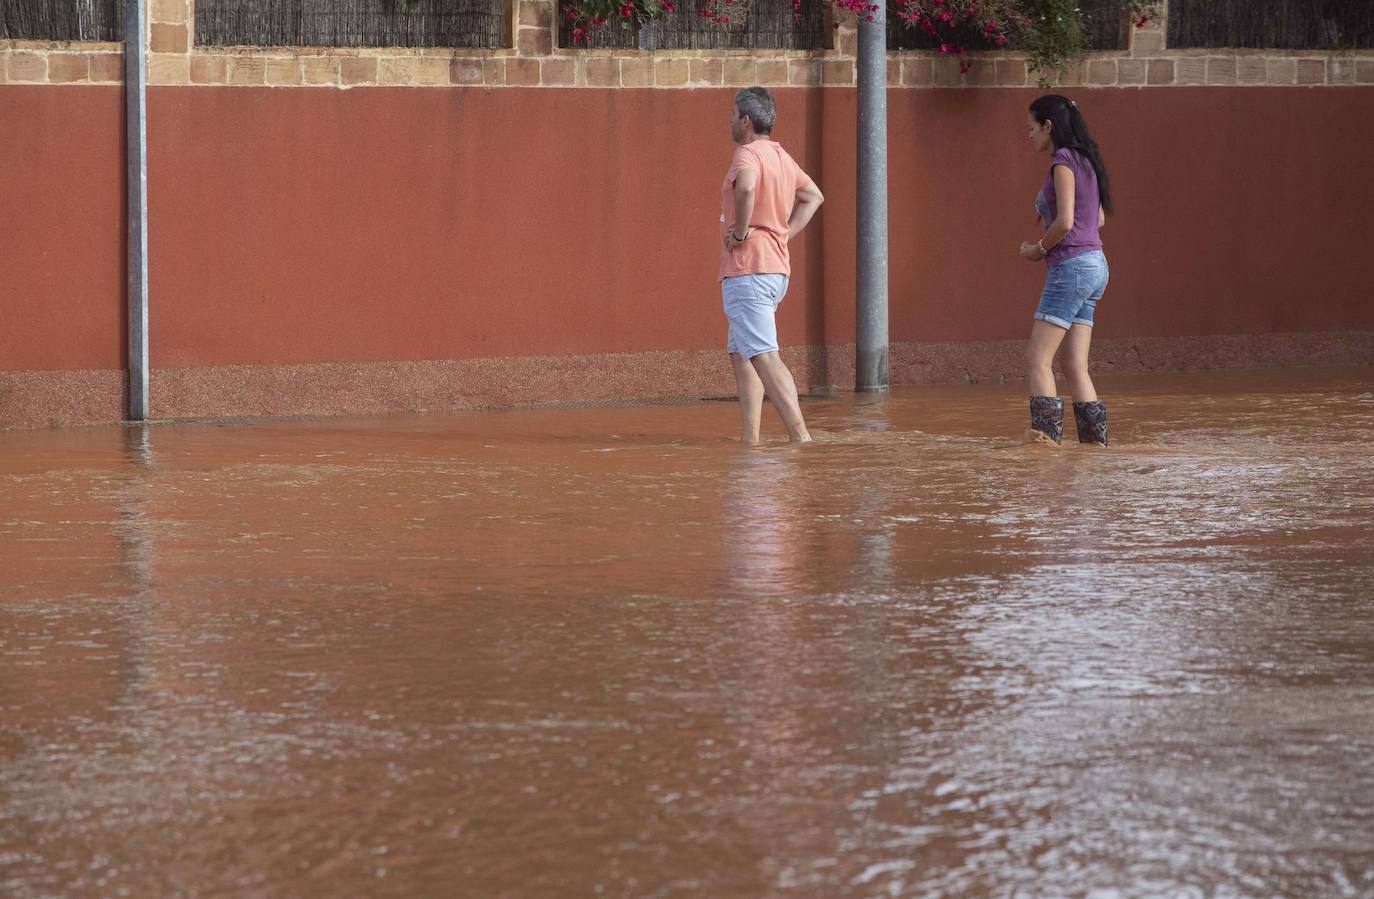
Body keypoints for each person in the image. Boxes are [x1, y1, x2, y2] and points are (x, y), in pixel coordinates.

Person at [719, 87, 824, 444]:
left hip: (749, 269)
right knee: (742, 352)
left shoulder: (746, 154)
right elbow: (813, 196)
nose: (730, 121)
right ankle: (751, 439)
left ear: (746, 120)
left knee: (764, 355)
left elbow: (746, 189)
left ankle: (801, 437)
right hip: (772, 268)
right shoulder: (781, 156)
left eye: (733, 115)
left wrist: (742, 231)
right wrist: (782, 234)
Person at [1019, 94, 1112, 447]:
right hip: (1097, 266)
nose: (1029, 136)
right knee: (1075, 366)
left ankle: (1045, 448)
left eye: (1031, 128)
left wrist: (1037, 249)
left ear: (1048, 126)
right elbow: (1097, 219)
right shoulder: (1088, 159)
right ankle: (1094, 450)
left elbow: (1066, 221)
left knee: (1038, 359)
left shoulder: (1063, 160)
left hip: (1072, 268)